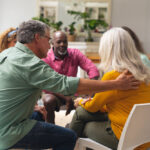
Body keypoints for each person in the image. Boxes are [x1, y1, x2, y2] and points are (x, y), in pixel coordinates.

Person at [0, 20, 139, 150]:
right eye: (48, 40)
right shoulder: (30, 63)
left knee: (38, 116)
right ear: (37, 37)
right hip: (7, 131)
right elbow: (66, 84)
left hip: (4, 120)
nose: (50, 45)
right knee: (69, 136)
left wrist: (33, 107)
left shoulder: (7, 53)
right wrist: (116, 84)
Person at [69, 27, 150, 150]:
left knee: (84, 124)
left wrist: (80, 101)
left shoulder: (114, 76)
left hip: (123, 138)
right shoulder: (145, 73)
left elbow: (92, 107)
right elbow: (120, 100)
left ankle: (66, 144)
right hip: (144, 139)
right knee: (81, 115)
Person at [42, 31, 100, 123]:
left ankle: (81, 126)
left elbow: (92, 69)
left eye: (65, 42)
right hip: (56, 94)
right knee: (48, 100)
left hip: (74, 92)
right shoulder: (46, 58)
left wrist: (91, 90)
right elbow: (47, 85)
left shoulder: (75, 53)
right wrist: (66, 98)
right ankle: (50, 127)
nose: (62, 44)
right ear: (52, 43)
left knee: (95, 97)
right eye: (59, 42)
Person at [0, 27, 46, 122]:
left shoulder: (23, 62)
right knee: (37, 116)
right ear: (6, 44)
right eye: (15, 42)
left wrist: (34, 106)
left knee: (39, 113)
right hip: (6, 113)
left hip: (16, 110)